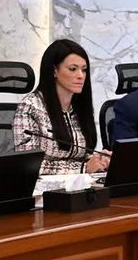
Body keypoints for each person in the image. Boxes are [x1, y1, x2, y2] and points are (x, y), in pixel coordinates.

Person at [13, 39, 110, 175]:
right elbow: (28, 165)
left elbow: (78, 155)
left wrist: (99, 160)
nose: (81, 76)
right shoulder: (30, 107)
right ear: (54, 71)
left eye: (84, 70)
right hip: (43, 186)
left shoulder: (79, 107)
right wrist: (82, 168)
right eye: (73, 69)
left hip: (78, 183)